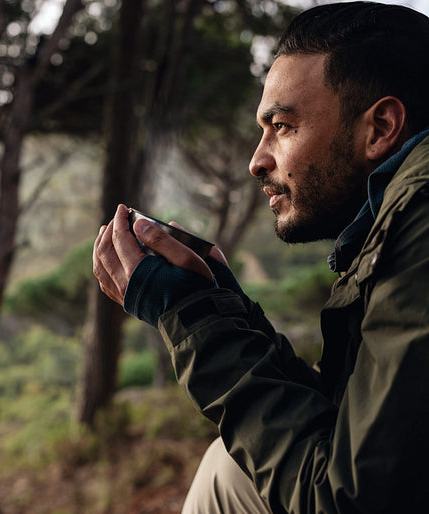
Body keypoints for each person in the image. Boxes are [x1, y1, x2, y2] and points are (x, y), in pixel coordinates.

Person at [92, 2, 429, 512]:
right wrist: (222, 308)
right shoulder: (391, 219)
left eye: (283, 126)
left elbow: (346, 499)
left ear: (380, 127)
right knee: (228, 469)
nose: (257, 159)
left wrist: (192, 320)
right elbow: (351, 427)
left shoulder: (420, 219)